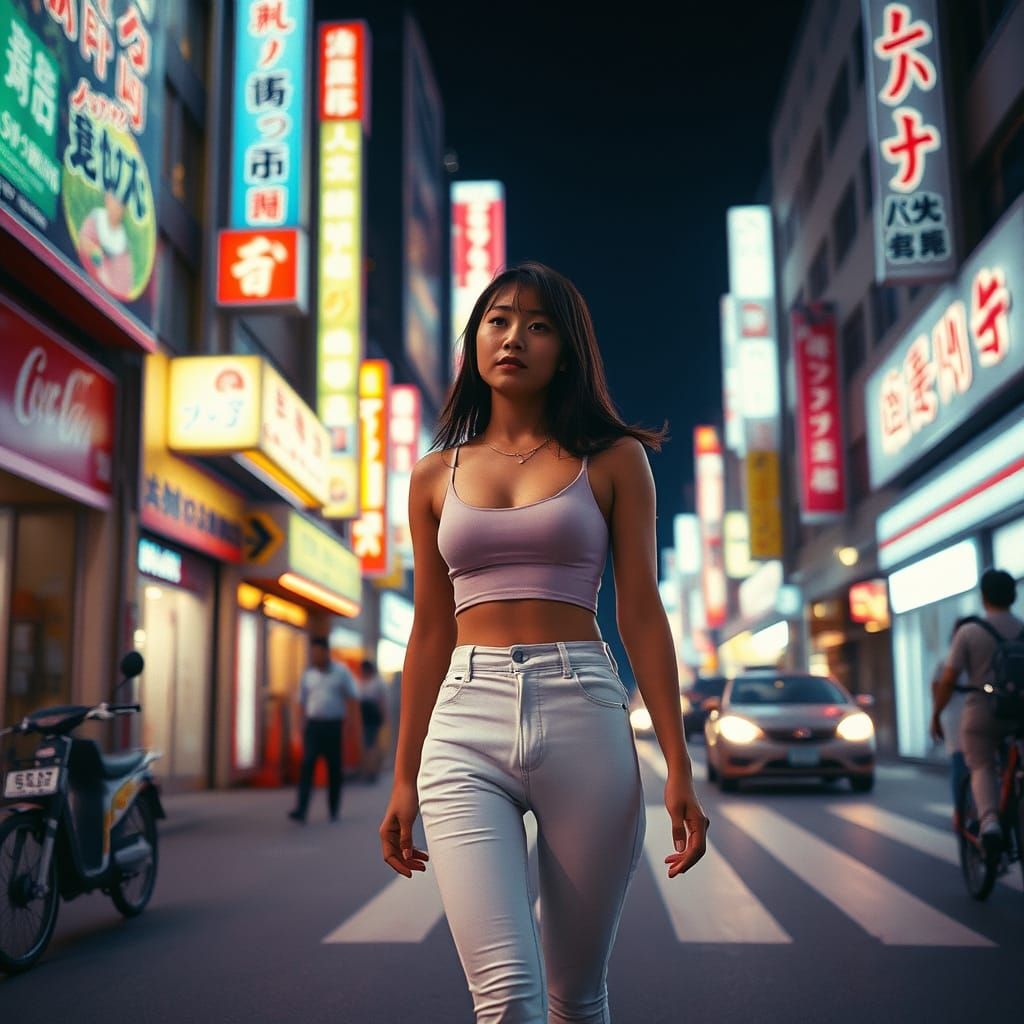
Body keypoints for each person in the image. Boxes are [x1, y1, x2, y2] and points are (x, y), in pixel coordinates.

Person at [378, 261, 709, 1022]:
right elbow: (429, 630)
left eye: (538, 324)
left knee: (575, 997)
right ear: (475, 341)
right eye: (497, 320)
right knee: (507, 1001)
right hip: (463, 722)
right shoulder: (434, 475)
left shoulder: (615, 459)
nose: (514, 338)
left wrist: (679, 764)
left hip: (583, 709)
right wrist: (404, 777)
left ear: (567, 348)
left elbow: (643, 616)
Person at [931, 569, 1023, 858]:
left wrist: (936, 714)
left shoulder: (969, 631)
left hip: (981, 712)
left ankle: (990, 822)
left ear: (984, 597)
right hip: (1020, 714)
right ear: (1014, 596)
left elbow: (948, 679)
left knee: (981, 766)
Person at [289, 636, 360, 824]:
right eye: (313, 653)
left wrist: (350, 726)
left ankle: (333, 808)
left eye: (318, 652)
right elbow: (300, 702)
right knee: (307, 765)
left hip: (333, 726)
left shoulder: (341, 672)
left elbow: (352, 698)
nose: (315, 656)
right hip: (313, 726)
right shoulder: (308, 675)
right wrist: (298, 728)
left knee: (334, 768)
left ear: (326, 652)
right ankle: (301, 809)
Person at [930, 618, 970, 806]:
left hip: (959, 721)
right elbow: (938, 687)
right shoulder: (948, 660)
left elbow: (938, 687)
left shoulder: (947, 660)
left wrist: (935, 716)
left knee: (961, 767)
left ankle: (963, 813)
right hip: (961, 720)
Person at [358, 658, 388, 783]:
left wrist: (383, 717)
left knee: (372, 744)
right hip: (363, 716)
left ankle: (373, 771)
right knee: (365, 745)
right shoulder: (359, 682)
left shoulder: (377, 683)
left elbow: (381, 702)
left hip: (373, 716)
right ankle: (367, 770)